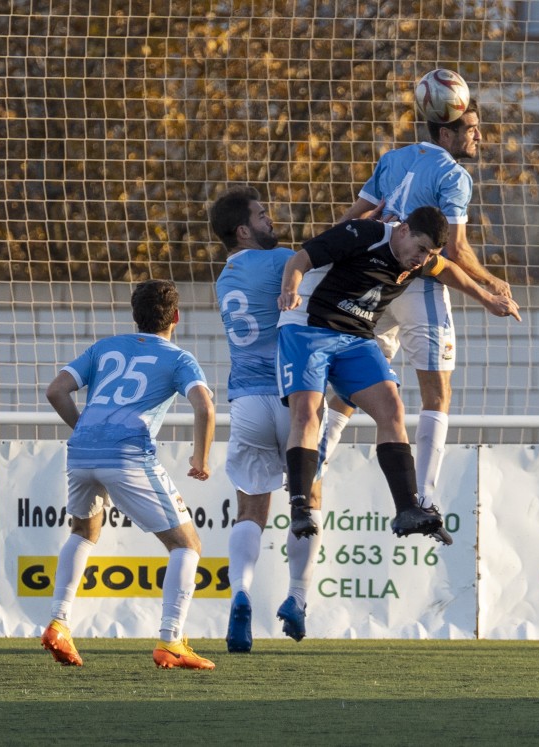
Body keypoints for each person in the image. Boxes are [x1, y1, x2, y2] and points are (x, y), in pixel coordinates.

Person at [322, 98, 518, 519]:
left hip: (373, 280)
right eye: (471, 129)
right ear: (446, 133)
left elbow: (352, 218)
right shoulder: (454, 175)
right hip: (418, 282)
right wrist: (491, 282)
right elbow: (454, 249)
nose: (479, 136)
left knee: (353, 384)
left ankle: (311, 464)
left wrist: (329, 259)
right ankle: (425, 499)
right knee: (437, 393)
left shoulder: (393, 158)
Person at [277, 206, 519, 542]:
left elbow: (447, 268)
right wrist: (290, 288)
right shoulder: (365, 234)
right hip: (308, 326)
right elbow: (300, 259)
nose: (422, 260)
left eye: (429, 253)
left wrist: (488, 298)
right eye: (420, 249)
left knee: (392, 408)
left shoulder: (418, 259)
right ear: (402, 230)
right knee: (307, 412)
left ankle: (407, 509)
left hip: (356, 336)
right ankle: (300, 507)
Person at [41, 279, 216, 670]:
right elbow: (204, 406)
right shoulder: (179, 358)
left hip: (82, 450)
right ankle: (172, 641)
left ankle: (58, 622)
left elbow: (56, 391)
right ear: (175, 316)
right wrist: (200, 459)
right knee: (187, 545)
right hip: (128, 453)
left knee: (83, 531)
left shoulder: (104, 348)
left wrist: (85, 428)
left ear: (135, 317)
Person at [210, 186, 326, 651]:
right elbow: (322, 256)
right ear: (243, 229)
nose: (269, 220)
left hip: (245, 403)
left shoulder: (225, 275)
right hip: (290, 397)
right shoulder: (279, 260)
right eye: (261, 215)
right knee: (309, 497)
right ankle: (297, 598)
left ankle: (240, 593)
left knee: (250, 511)